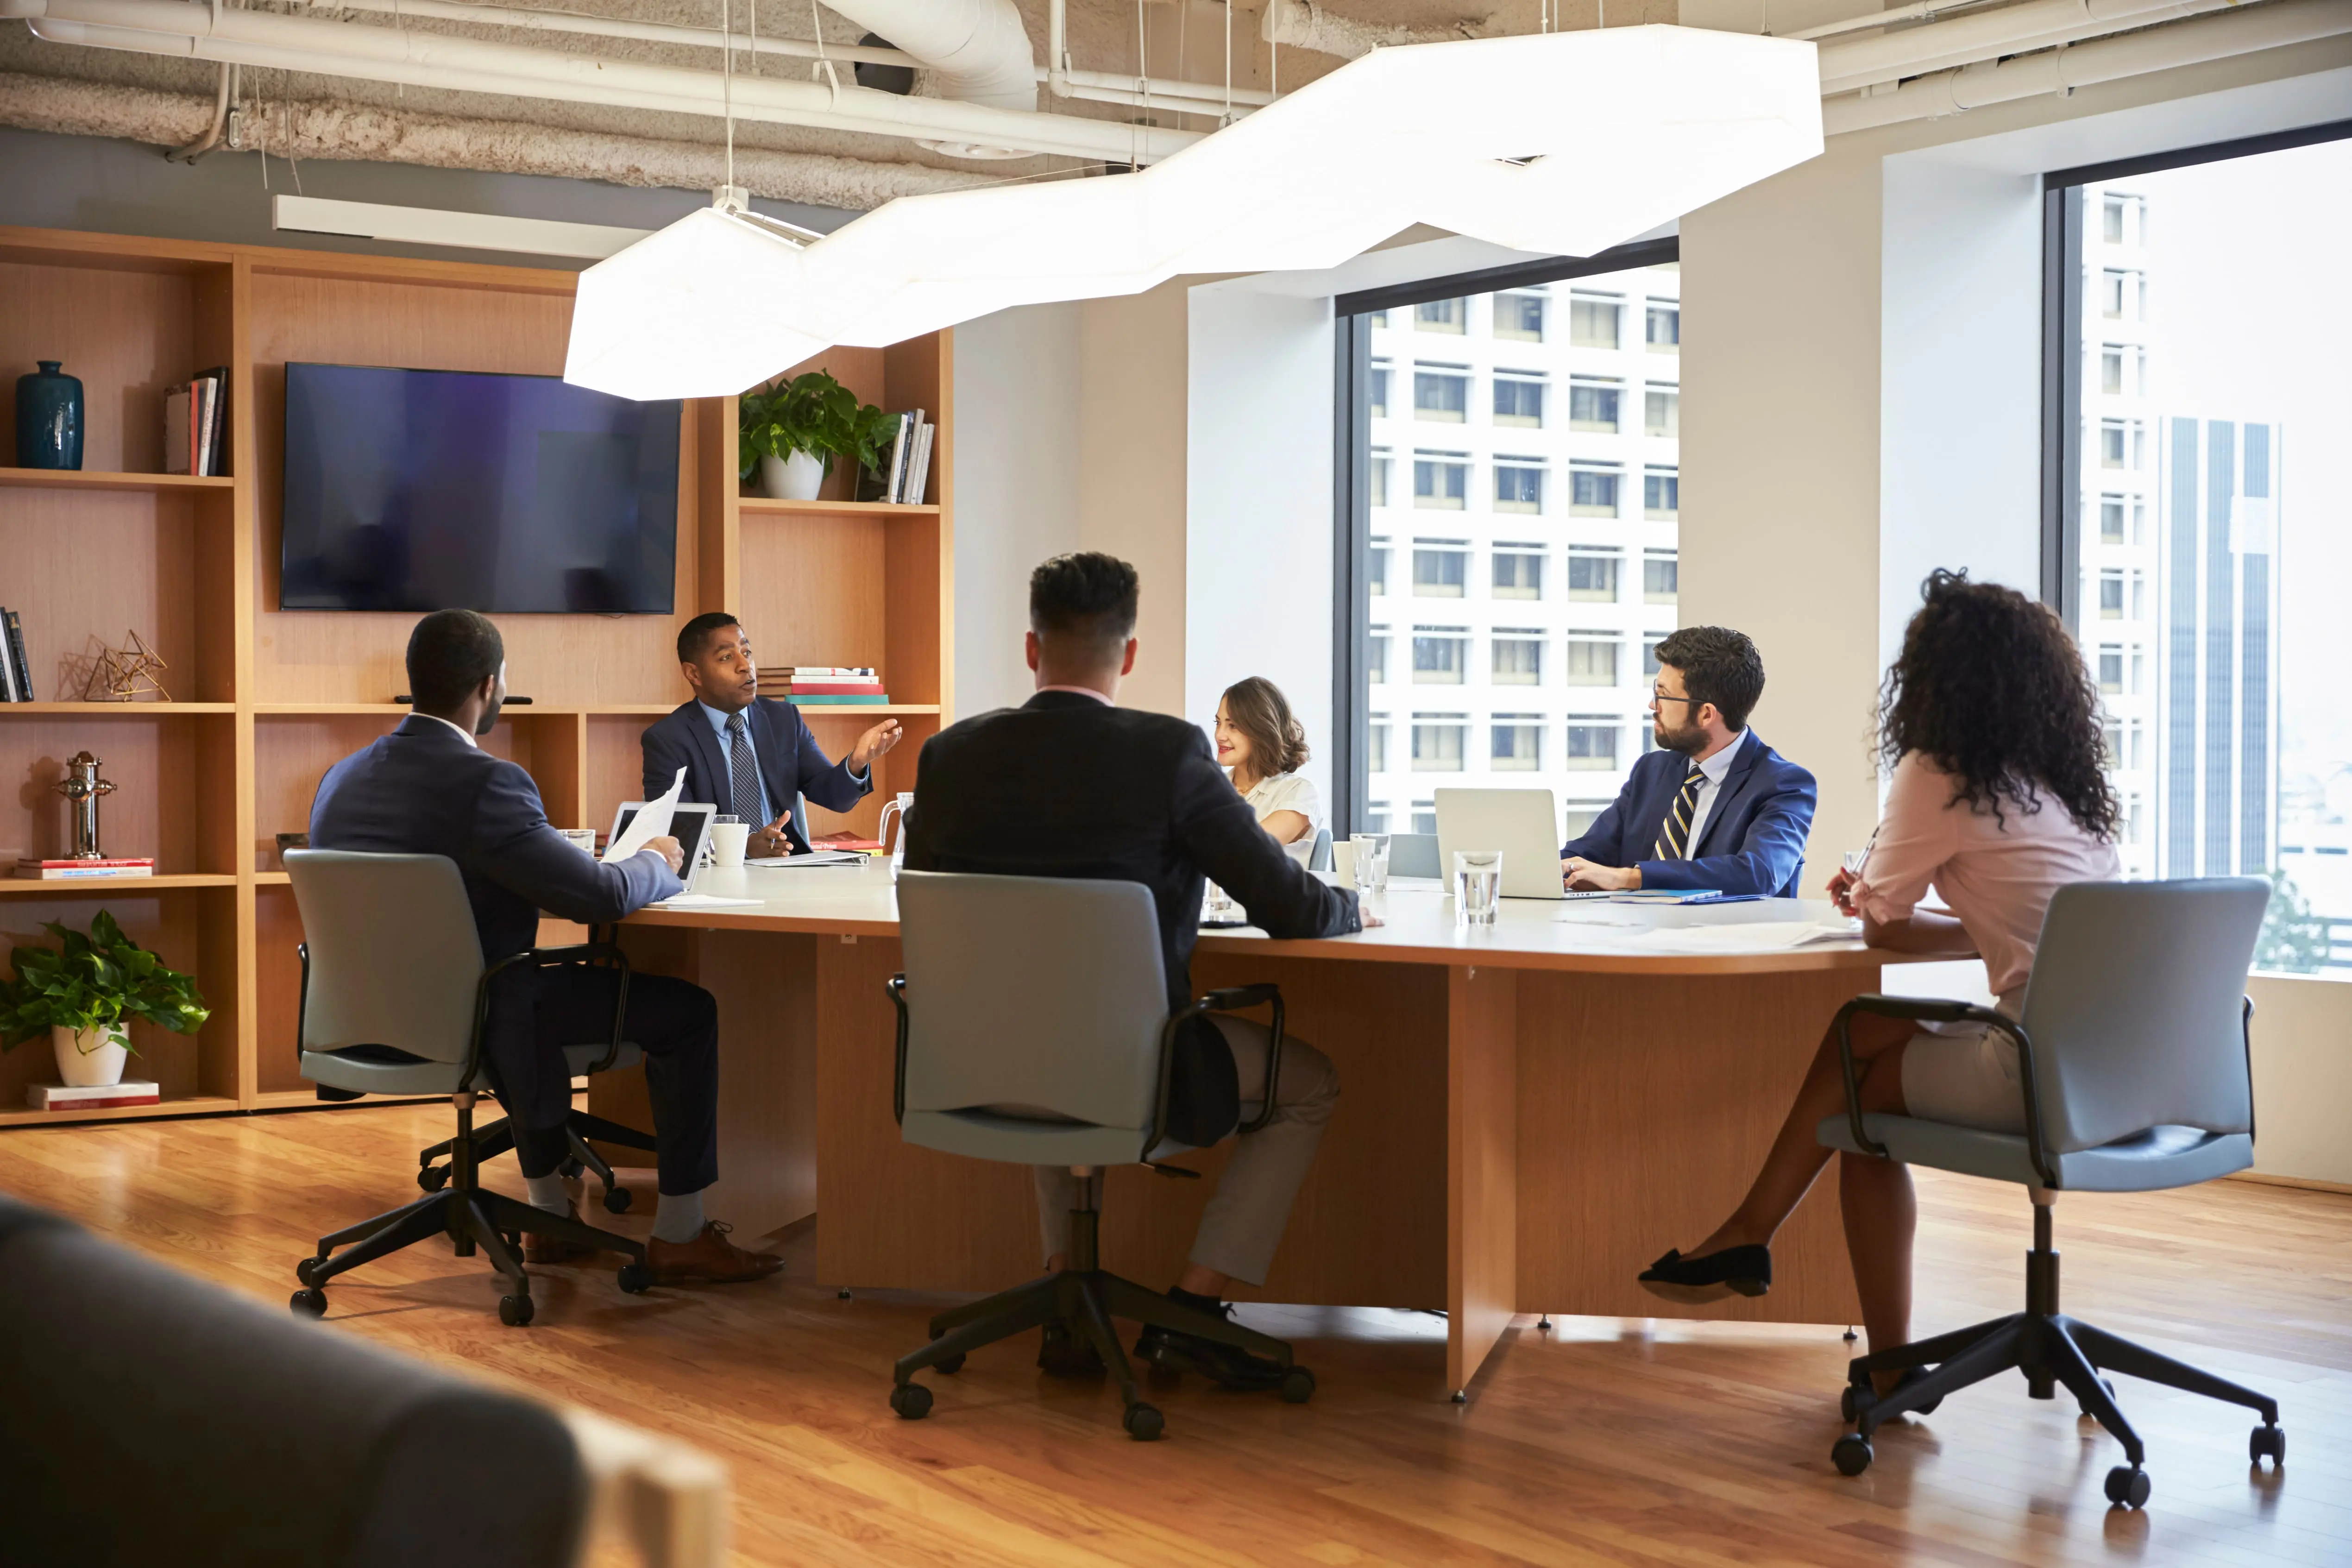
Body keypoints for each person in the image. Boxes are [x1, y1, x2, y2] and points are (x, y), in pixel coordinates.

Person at [1636, 573, 2122, 1396]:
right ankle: (1751, 1241)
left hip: (2040, 1068)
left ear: (1932, 677)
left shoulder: (1941, 773)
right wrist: (1909, 911)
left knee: (1861, 1091)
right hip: (2135, 1068)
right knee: (1865, 1036)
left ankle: (1806, 1285)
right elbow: (2023, 930)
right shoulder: (2064, 785)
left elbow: (1884, 931)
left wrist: (1870, 898)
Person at [903, 552, 1376, 1391]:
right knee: (1310, 1084)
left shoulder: (948, 756)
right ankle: (1195, 1310)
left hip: (974, 1061)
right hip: (1128, 1071)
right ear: (1126, 657)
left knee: (1042, 1022)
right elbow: (1291, 908)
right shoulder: (1167, 754)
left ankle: (1061, 1295)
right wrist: (1350, 906)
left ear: (1028, 648)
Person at [310, 609, 780, 1287]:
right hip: (482, 1017)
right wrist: (655, 858)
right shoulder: (490, 782)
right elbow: (596, 898)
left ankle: (549, 1216)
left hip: (362, 1018)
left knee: (519, 987)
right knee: (686, 1012)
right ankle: (680, 1233)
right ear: (489, 685)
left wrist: (541, 846)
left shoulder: (340, 779)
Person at [1559, 624, 1816, 897]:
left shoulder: (1784, 785)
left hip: (1729, 937)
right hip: (1633, 934)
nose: (1652, 705)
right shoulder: (1652, 771)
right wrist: (1551, 868)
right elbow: (1589, 851)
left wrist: (1630, 877)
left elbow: (1758, 873)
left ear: (1706, 715)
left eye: (1663, 695)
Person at [640, 613, 904, 857]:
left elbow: (831, 795)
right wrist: (742, 848)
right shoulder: (667, 740)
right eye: (726, 658)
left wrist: (856, 763)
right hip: (716, 878)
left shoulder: (783, 719)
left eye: (747, 652)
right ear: (694, 673)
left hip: (788, 865)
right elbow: (676, 830)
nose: (745, 666)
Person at [1215, 676, 1321, 850]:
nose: (1220, 735)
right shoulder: (1212, 790)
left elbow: (1246, 850)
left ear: (1262, 730)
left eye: (1233, 726)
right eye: (1218, 723)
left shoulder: (1299, 793)